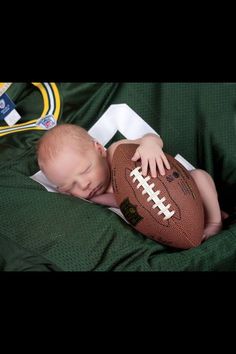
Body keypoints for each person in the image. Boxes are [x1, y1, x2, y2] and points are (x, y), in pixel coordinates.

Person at [37, 123, 227, 241]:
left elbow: (152, 137)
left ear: (99, 149)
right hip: (162, 222)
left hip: (184, 194)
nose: (84, 185)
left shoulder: (118, 152)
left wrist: (150, 145)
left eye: (86, 170)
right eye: (70, 187)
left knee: (200, 176)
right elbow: (122, 202)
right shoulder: (93, 197)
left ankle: (213, 220)